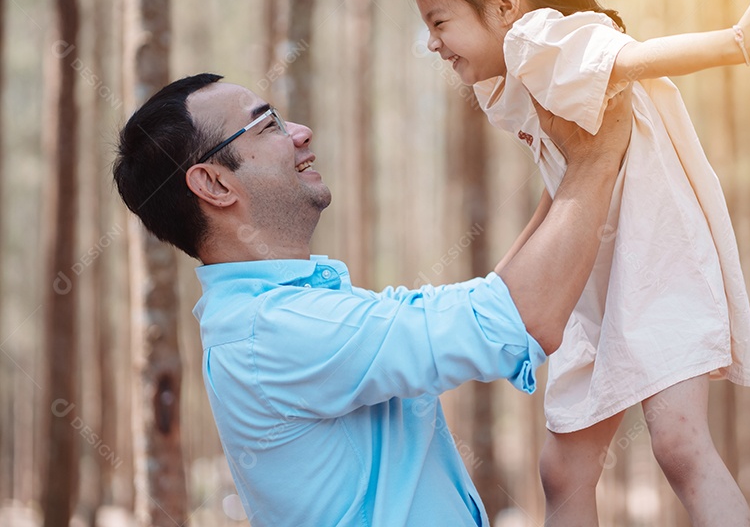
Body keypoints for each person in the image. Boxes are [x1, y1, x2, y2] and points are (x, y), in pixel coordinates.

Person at [407, 0, 750, 526]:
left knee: (681, 447)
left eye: (439, 21)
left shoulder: (543, 38)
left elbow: (635, 58)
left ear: (504, 5)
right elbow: (560, 186)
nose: (432, 42)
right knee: (564, 468)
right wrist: (503, 277)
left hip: (659, 259)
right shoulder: (531, 70)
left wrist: (737, 43)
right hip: (592, 283)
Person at [112, 71, 633, 526]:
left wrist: (565, 165)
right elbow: (518, 317)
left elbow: (489, 302)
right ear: (214, 183)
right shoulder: (275, 330)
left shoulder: (286, 315)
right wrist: (600, 149)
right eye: (267, 124)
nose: (300, 132)